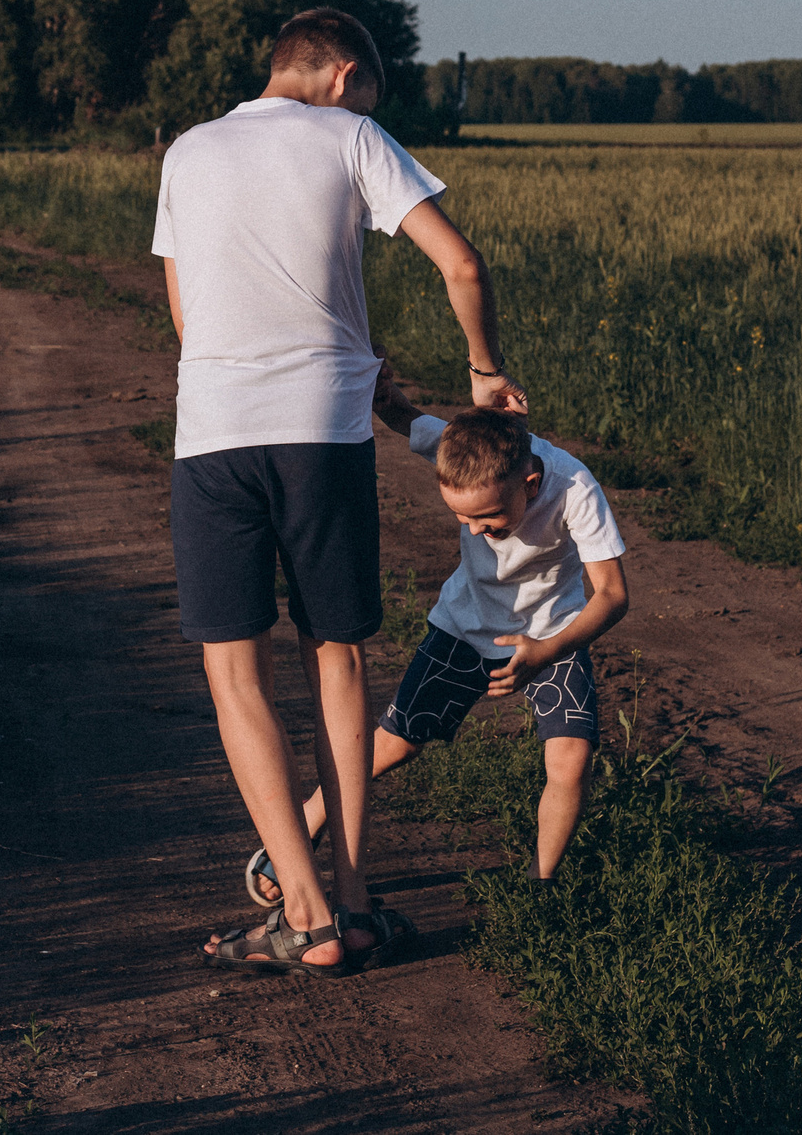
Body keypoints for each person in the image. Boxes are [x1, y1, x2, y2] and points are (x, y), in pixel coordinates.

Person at [155, 7, 525, 977]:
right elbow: (461, 262)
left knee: (237, 674)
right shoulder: (353, 135)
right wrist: (484, 372)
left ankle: (305, 916)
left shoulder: (189, 153)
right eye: (371, 91)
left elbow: (188, 319)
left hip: (214, 436)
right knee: (338, 655)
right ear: (342, 76)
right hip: (322, 431)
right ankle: (355, 904)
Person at [246, 385, 630, 908]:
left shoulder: (576, 487)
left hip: (551, 636)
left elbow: (612, 594)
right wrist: (372, 378)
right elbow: (402, 414)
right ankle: (309, 819)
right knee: (396, 742)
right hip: (462, 629)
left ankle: (541, 888)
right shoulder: (461, 447)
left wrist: (546, 652)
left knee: (572, 758)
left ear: (531, 483)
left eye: (487, 518)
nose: (474, 529)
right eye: (461, 518)